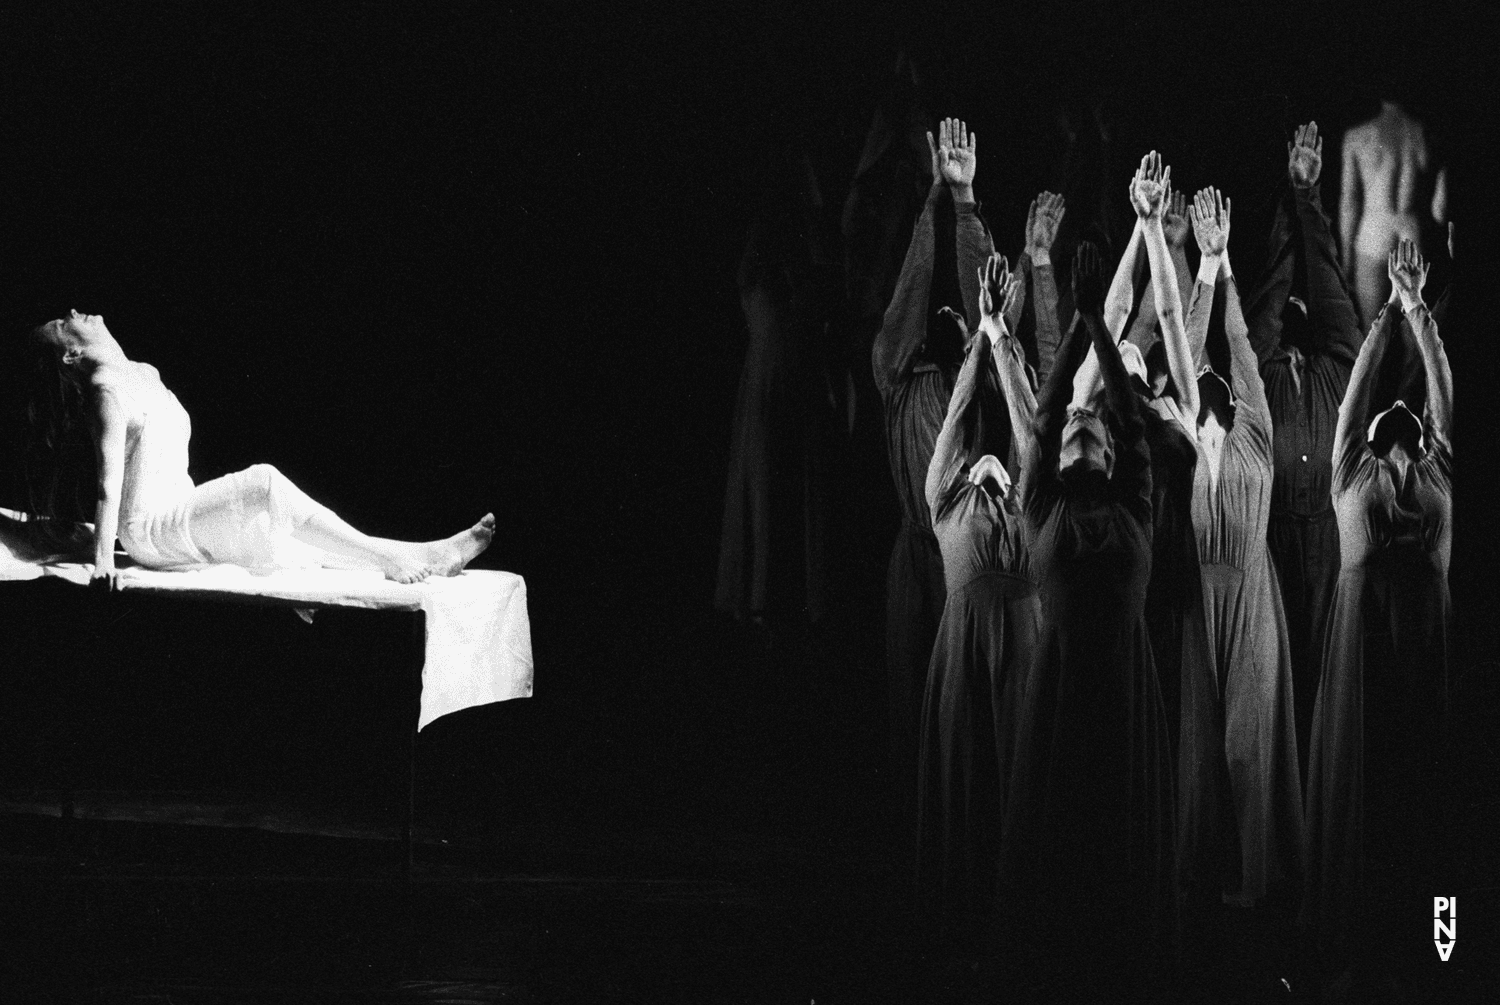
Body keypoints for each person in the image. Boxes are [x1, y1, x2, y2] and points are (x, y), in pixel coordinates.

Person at [998, 235, 1175, 988]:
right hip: (1061, 689)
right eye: (1076, 426)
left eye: (1090, 428)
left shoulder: (1136, 501)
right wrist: (1076, 319)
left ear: (1107, 453)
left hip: (1126, 688)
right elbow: (1041, 421)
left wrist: (1100, 331)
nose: (1078, 426)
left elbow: (1132, 424)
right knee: (1059, 827)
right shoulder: (1041, 507)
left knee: (1120, 835)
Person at [20, 310, 493, 586]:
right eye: (64, 322)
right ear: (71, 354)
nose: (77, 311)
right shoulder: (106, 387)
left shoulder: (145, 372)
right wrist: (104, 563)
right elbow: (109, 484)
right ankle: (396, 557)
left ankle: (423, 553)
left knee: (280, 528)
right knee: (263, 483)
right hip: (148, 531)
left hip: (176, 510)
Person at [1301, 239, 1454, 988]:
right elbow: (1356, 395)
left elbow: (1444, 392)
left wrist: (1418, 310)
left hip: (1424, 633)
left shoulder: (1437, 470)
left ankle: (1437, 949)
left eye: (1410, 412)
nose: (1397, 411)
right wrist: (1385, 317)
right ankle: (1355, 941)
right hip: (1363, 640)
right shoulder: (1350, 473)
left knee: (1421, 782)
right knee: (1365, 782)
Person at [1175, 188, 1303, 909]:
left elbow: (1245, 353)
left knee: (1247, 742)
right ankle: (1199, 875)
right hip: (1199, 595)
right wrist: (1201, 269)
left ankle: (1255, 881)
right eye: (1201, 379)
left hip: (1251, 590)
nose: (1211, 376)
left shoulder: (1256, 435)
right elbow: (1181, 347)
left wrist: (1225, 271)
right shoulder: (1180, 441)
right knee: (1199, 745)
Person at [872, 118, 994, 866]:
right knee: (909, 710)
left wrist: (970, 202)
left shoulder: (982, 395)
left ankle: (966, 847)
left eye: (961, 321)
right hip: (916, 562)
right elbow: (911, 294)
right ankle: (914, 850)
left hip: (966, 564)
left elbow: (993, 316)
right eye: (938, 320)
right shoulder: (900, 382)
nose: (947, 319)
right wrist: (934, 201)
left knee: (967, 717)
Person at [914, 255, 1040, 939]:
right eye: (976, 454)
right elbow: (959, 416)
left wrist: (1000, 336)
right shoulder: (945, 501)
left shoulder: (1030, 507)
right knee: (968, 771)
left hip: (1024, 644)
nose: (991, 453)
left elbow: (1030, 431)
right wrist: (980, 341)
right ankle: (961, 913)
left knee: (1019, 771)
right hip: (964, 643)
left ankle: (1017, 914)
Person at [1241, 122, 1364, 785]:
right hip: (1268, 543)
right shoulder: (1258, 376)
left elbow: (1338, 305)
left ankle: (1321, 804)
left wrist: (1308, 196)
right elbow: (1262, 312)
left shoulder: (1336, 372)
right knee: (1270, 689)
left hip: (1322, 541)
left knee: (1319, 685)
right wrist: (1286, 220)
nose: (1290, 313)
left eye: (1299, 309)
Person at [1100, 158, 1203, 760]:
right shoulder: (1103, 410)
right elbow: (1115, 317)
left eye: (1140, 357)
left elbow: (1166, 316)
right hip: (1123, 568)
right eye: (1124, 358)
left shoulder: (1179, 408)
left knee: (1170, 715)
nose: (1135, 356)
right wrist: (1141, 229)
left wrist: (1155, 227)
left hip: (1173, 569)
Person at [714, 149, 841, 624]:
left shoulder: (802, 254)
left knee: (785, 484)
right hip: (774, 375)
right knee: (769, 483)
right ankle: (766, 602)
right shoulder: (773, 251)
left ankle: (781, 602)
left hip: (788, 373)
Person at [1339, 100, 1448, 328]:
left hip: (1372, 237)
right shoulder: (1423, 133)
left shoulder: (1357, 136)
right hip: (1413, 238)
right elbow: (1440, 211)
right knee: (1416, 337)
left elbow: (1349, 204)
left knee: (1373, 332)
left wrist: (1347, 265)